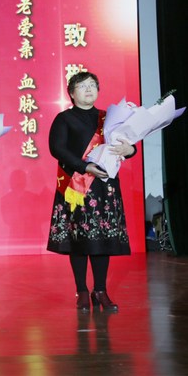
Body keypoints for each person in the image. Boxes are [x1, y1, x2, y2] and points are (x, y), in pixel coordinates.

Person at [47, 71, 135, 312]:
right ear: (71, 93)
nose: (89, 89)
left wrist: (129, 150)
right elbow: (57, 148)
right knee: (78, 239)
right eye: (82, 86)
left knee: (102, 239)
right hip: (76, 186)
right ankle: (82, 291)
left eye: (93, 85)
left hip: (105, 186)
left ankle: (100, 290)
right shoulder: (64, 118)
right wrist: (84, 166)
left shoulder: (109, 118)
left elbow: (128, 145)